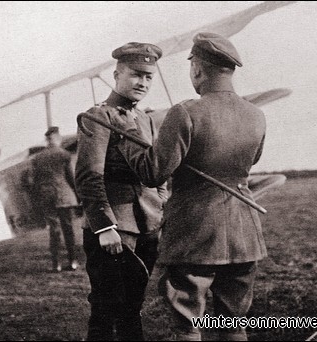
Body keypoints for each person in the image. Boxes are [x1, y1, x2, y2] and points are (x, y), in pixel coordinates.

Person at [110, 32, 267, 341]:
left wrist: (127, 133)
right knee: (233, 322)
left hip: (194, 233)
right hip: (244, 231)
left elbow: (153, 173)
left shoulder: (186, 112)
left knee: (188, 322)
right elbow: (251, 161)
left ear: (197, 69)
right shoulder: (256, 115)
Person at [74, 42, 168, 340]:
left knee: (133, 308)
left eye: (149, 77)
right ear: (117, 74)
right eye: (135, 74)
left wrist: (160, 205)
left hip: (147, 226)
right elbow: (89, 176)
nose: (142, 82)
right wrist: (105, 227)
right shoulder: (97, 116)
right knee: (105, 309)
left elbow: (157, 172)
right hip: (115, 230)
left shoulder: (146, 119)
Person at [28, 126, 79, 272]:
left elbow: (33, 181)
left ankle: (56, 264)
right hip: (64, 196)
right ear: (58, 138)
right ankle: (73, 261)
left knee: (54, 230)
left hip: (47, 197)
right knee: (68, 229)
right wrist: (78, 193)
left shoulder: (38, 158)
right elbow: (71, 177)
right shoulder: (64, 155)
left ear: (47, 140)